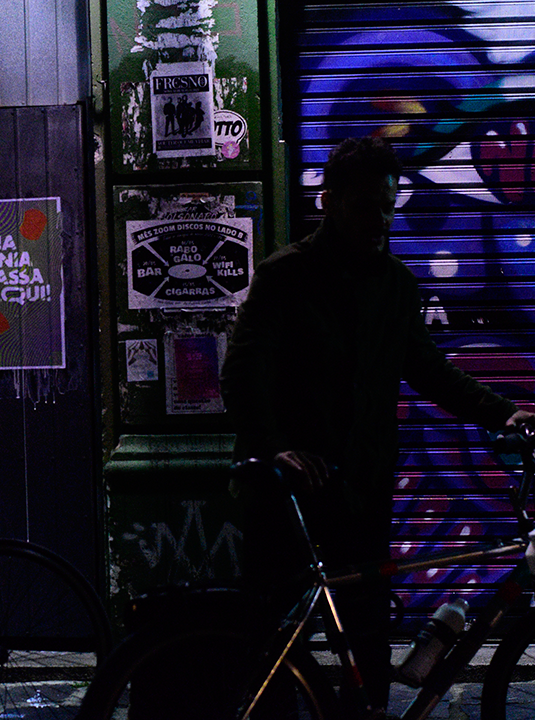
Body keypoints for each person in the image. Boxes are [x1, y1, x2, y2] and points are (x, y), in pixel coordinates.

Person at [219, 136, 534, 713]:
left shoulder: (395, 285)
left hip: (361, 490)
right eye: (366, 206)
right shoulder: (286, 276)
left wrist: (501, 411)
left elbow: (430, 370)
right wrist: (276, 449)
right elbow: (242, 374)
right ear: (329, 200)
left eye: (388, 206)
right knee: (272, 642)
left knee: (366, 643)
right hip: (291, 492)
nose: (381, 220)